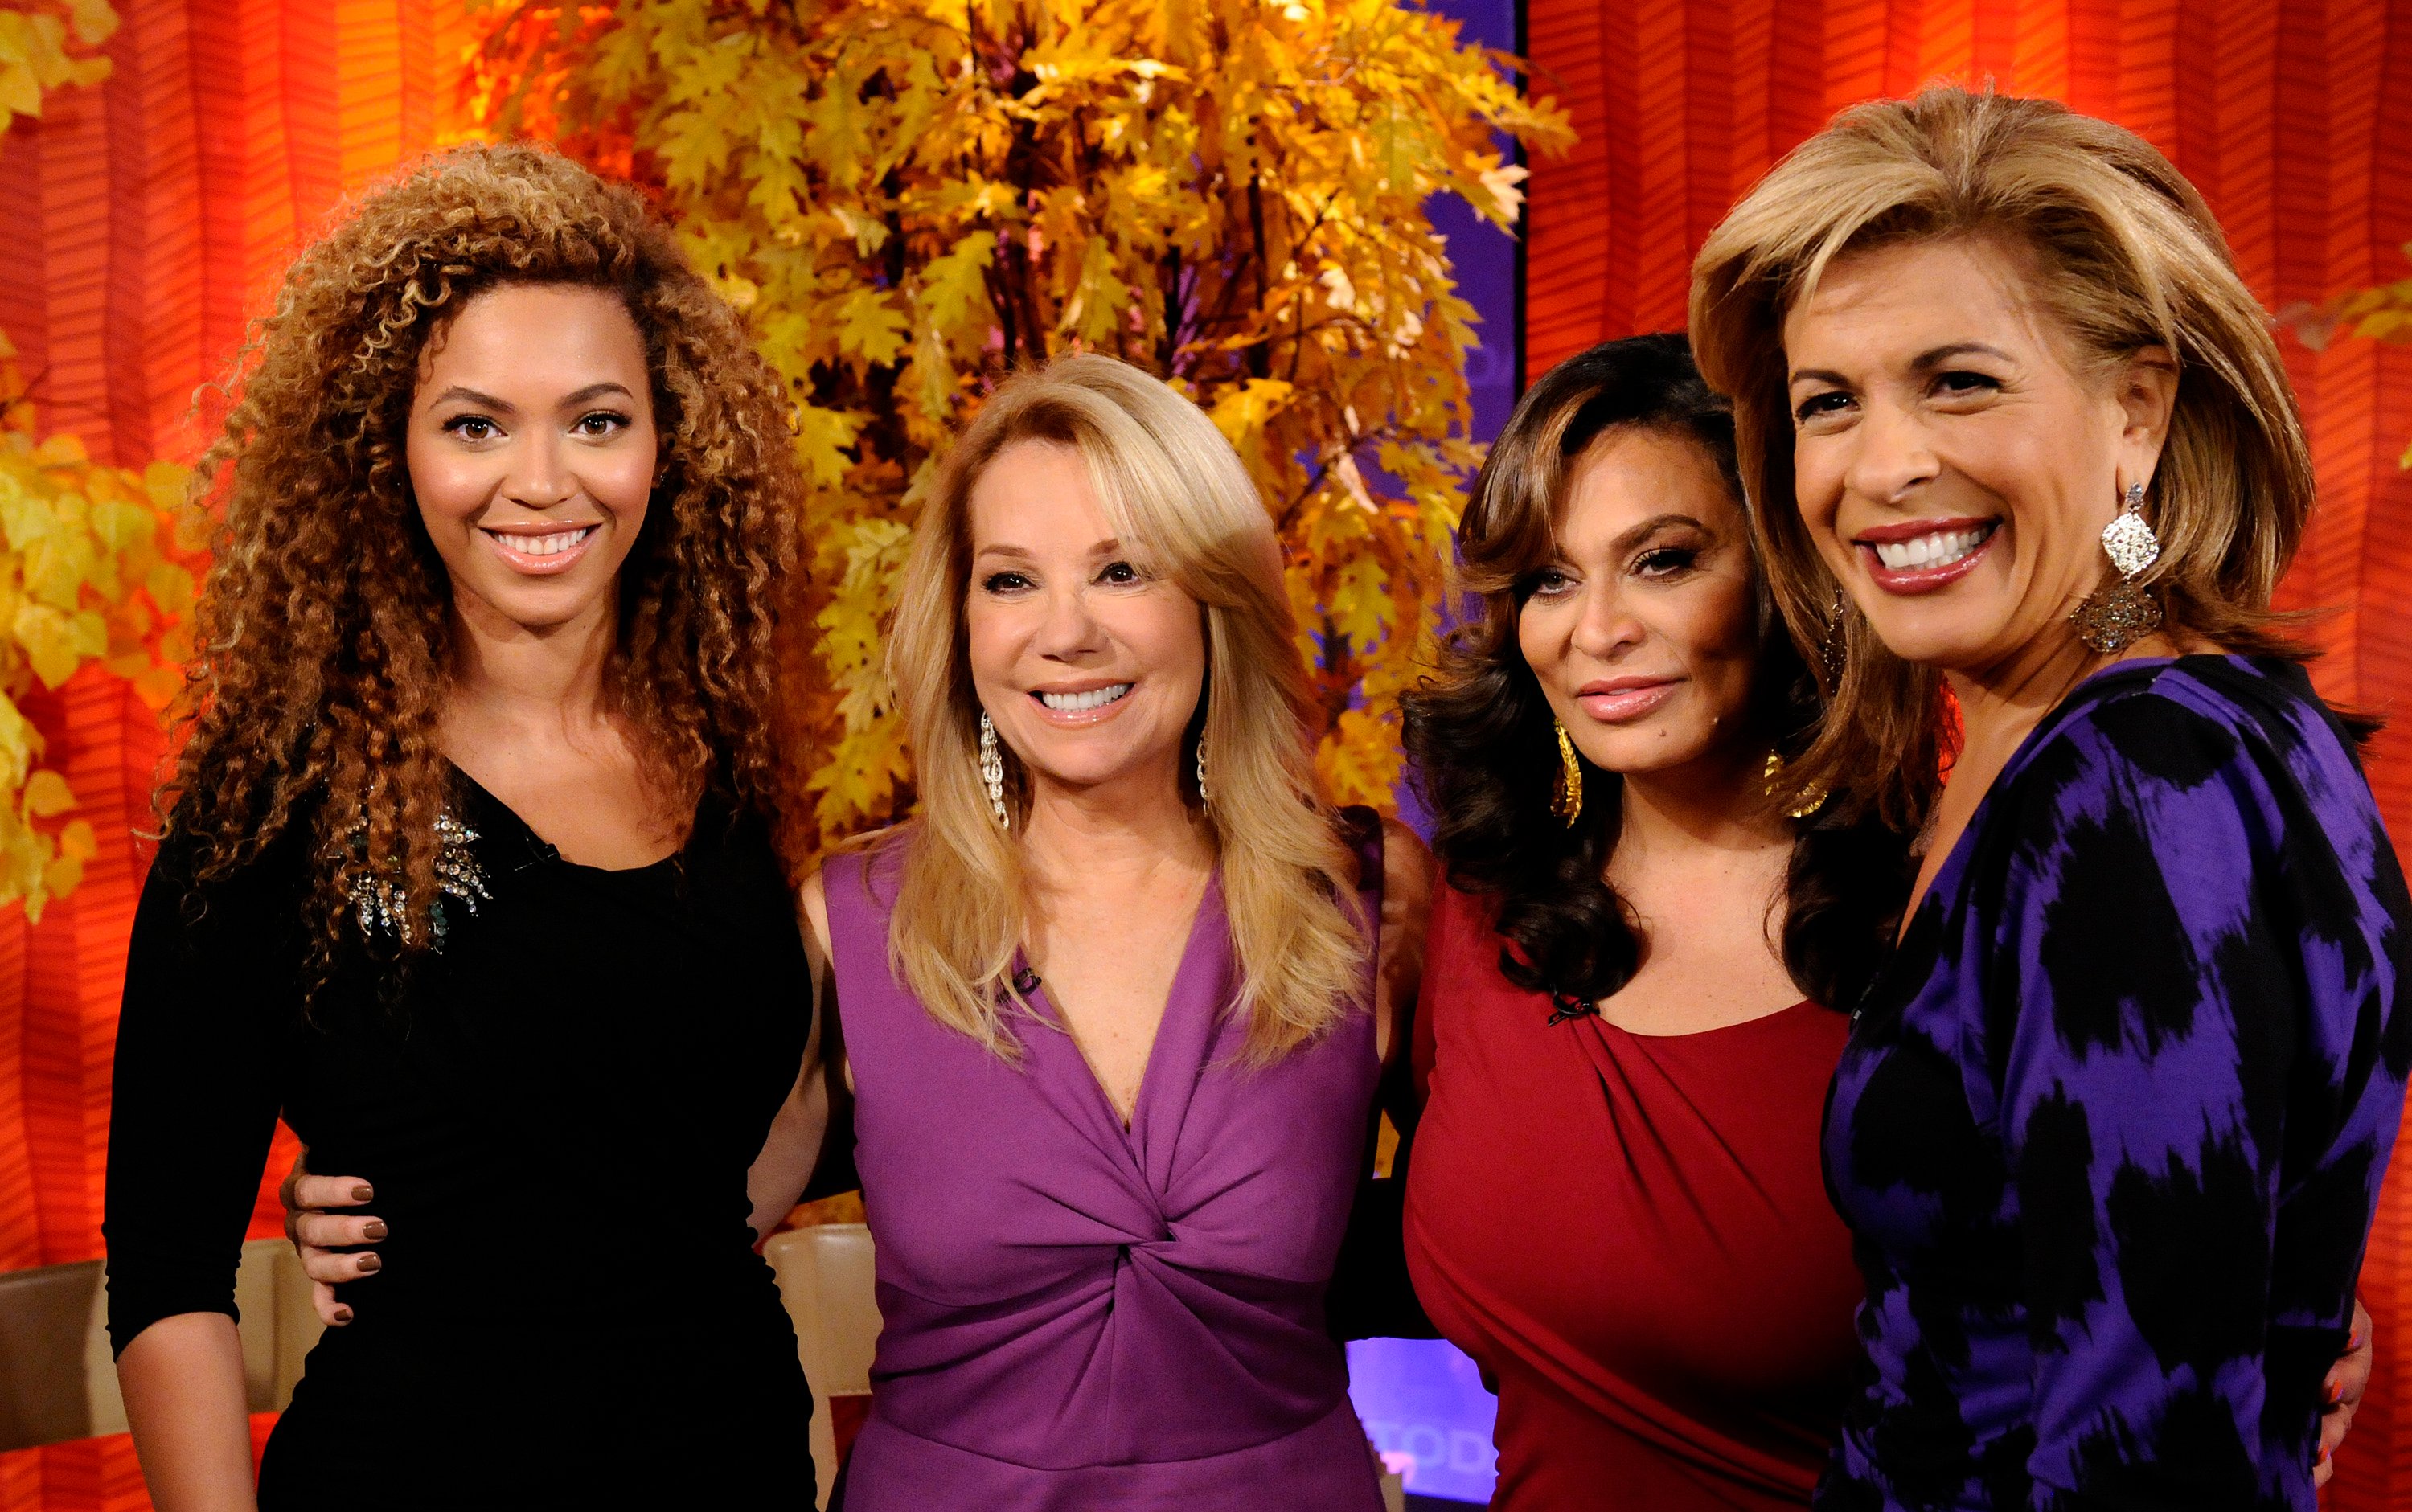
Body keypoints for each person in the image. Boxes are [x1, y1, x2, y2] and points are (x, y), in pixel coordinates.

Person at [294, 351, 1434, 1506]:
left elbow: (1515, 1219)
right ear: (961, 623)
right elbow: (643, 1225)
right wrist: (415, 1205)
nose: (1066, 632)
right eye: (1010, 581)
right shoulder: (850, 925)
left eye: (1124, 569)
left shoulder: (1369, 903)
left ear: (1216, 598)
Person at [1691, 84, 2411, 1509]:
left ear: (2135, 411)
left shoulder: (2133, 784)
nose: (1881, 466)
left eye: (1958, 380)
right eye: (1828, 402)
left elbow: (2149, 1465)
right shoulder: (2115, 738)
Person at [104, 145, 822, 1510]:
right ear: (388, 445)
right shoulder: (275, 802)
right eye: (477, 424)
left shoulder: (722, 757)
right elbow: (168, 1275)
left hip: (731, 1470)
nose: (543, 480)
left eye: (598, 420)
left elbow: (681, 1158)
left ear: (670, 441)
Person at [1398, 334, 1911, 1510]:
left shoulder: (1929, 924)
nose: (1598, 628)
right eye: (1550, 578)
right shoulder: (1480, 919)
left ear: (1782, 574)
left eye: (1664, 561)